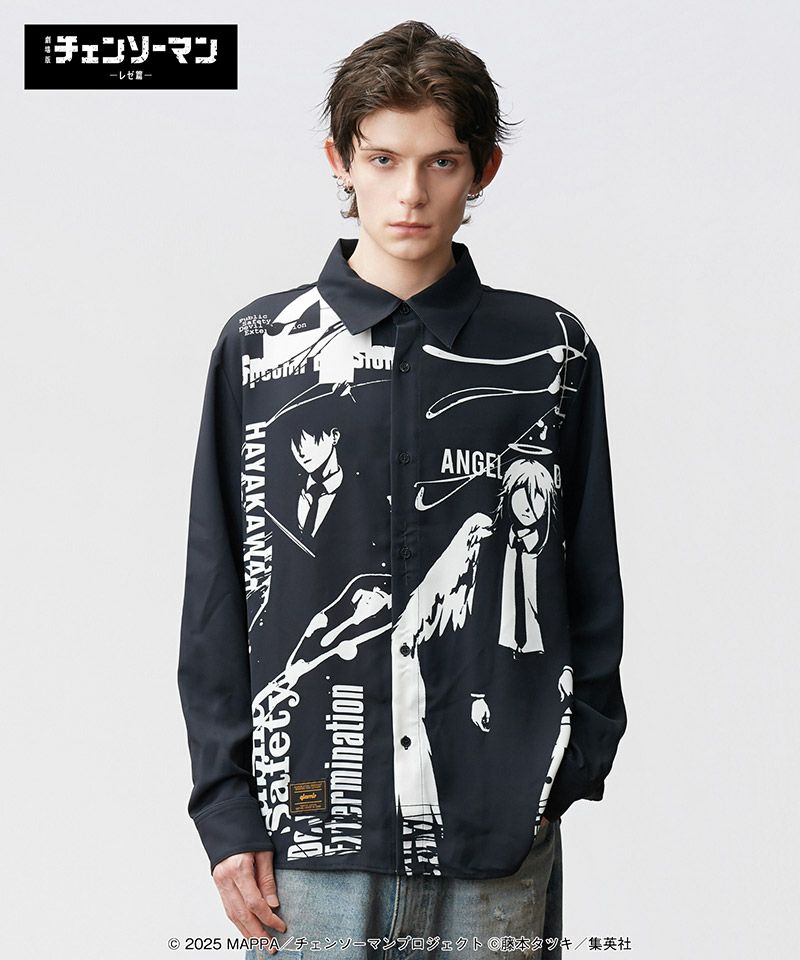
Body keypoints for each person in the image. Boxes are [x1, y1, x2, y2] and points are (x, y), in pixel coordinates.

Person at [177, 19, 627, 960]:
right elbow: (217, 593)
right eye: (383, 160)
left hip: (497, 837)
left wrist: (562, 767)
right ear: (340, 162)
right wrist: (225, 809)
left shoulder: (550, 352)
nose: (411, 194)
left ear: (483, 171)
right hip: (306, 842)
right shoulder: (260, 349)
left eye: (441, 162)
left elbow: (590, 573)